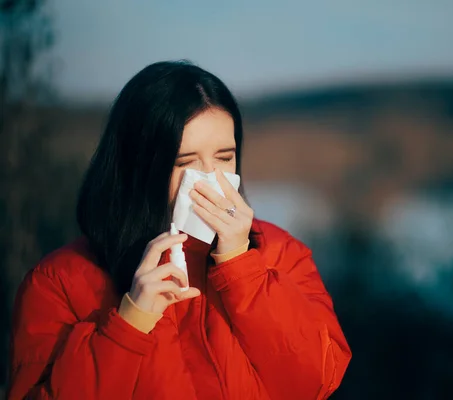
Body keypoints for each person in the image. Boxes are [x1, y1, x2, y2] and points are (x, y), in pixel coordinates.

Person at [8, 60, 351, 399]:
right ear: (138, 166)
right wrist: (128, 325)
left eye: (224, 157)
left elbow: (319, 379)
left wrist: (243, 268)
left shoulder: (279, 252)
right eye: (184, 162)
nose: (209, 179)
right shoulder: (59, 282)